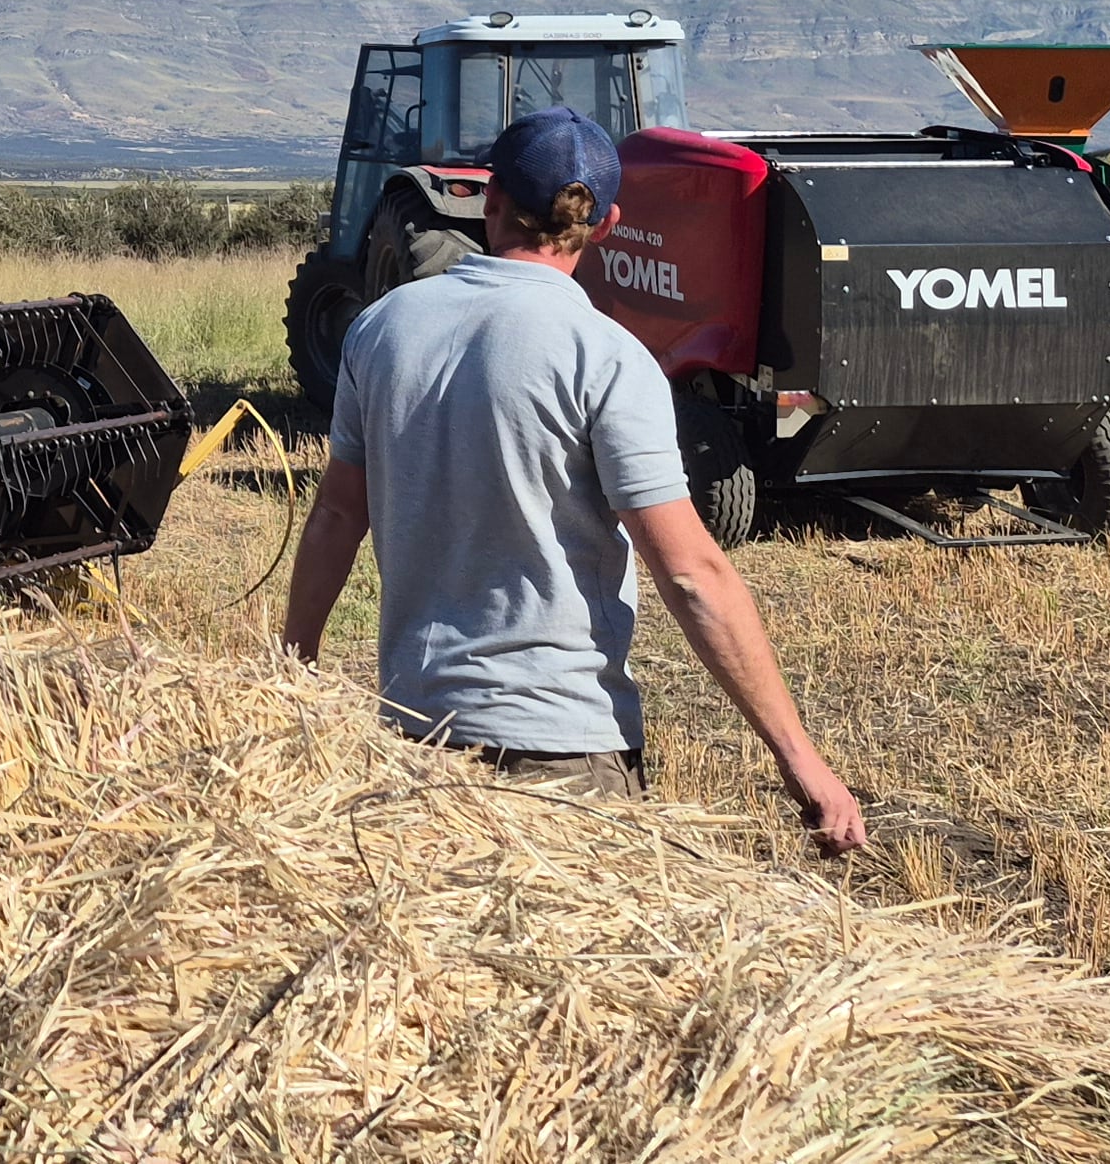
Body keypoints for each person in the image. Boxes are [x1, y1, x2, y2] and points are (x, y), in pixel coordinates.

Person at [280, 107, 869, 854]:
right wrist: (802, 760)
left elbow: (336, 516)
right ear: (608, 221)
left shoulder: (380, 327)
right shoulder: (609, 356)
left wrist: (293, 668)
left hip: (415, 741)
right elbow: (690, 574)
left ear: (488, 201)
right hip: (561, 754)